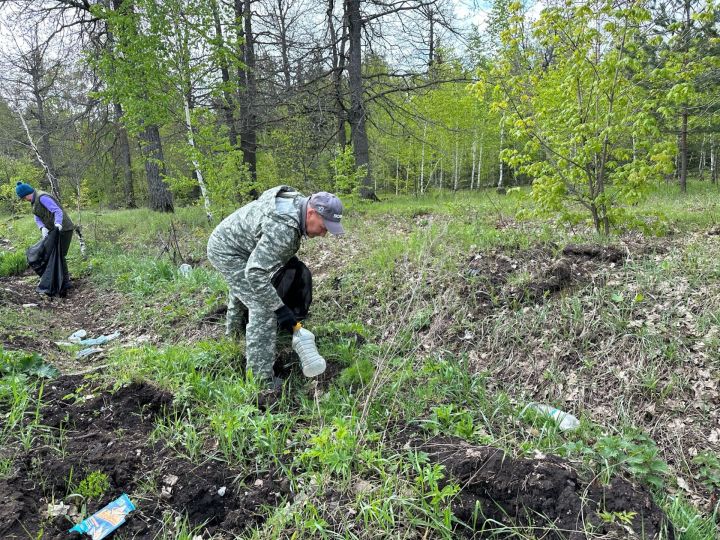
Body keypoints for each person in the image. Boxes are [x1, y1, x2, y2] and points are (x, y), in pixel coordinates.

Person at [207, 185, 344, 387]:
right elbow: (255, 273)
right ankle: (260, 380)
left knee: (245, 288)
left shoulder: (298, 203)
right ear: (312, 212)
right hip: (227, 251)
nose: (324, 234)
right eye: (324, 226)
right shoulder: (285, 229)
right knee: (262, 307)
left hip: (240, 244)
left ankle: (233, 334)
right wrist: (280, 309)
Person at [15, 181, 75, 291]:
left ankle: (65, 283)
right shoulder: (34, 201)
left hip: (64, 229)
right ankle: (59, 280)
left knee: (59, 254)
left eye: (24, 198)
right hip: (53, 231)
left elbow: (57, 211)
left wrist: (58, 223)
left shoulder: (42, 197)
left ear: (27, 194)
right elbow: (37, 217)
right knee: (52, 253)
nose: (24, 200)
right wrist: (42, 227)